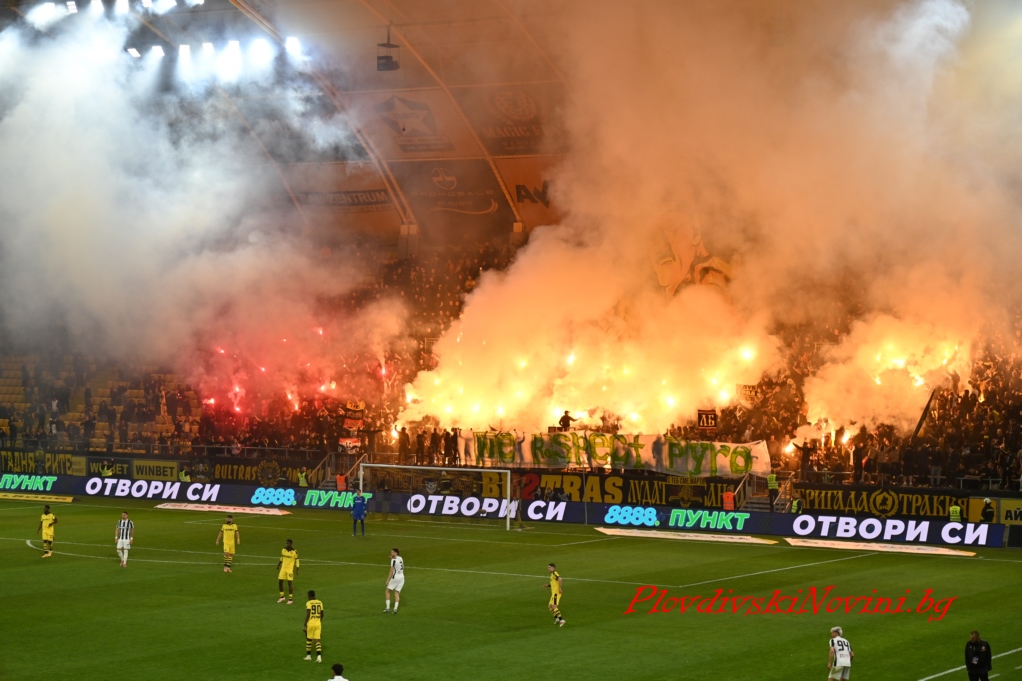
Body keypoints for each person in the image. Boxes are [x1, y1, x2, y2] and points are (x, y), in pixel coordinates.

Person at [304, 589, 324, 663]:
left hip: (310, 623)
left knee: (309, 639)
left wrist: (305, 624)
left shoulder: (309, 603)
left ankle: (308, 656)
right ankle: (319, 657)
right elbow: (322, 614)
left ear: (309, 596)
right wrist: (319, 620)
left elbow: (308, 613)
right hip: (318, 624)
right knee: (317, 640)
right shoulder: (320, 602)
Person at [277, 539, 299, 604]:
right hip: (283, 568)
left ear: (291, 544)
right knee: (280, 582)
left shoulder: (294, 551)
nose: (286, 544)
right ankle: (282, 597)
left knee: (290, 583)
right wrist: (278, 565)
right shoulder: (283, 550)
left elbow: (297, 560)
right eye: (286, 543)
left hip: (289, 570)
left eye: (288, 543)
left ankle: (290, 599)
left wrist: (297, 569)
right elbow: (281, 558)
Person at [384, 548, 404, 613]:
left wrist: (387, 580)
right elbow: (396, 562)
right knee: (397, 593)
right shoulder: (400, 558)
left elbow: (391, 571)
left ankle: (388, 608)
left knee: (387, 591)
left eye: (392, 552)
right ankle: (395, 609)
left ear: (396, 553)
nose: (391, 553)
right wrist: (391, 558)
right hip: (402, 578)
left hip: (395, 577)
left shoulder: (393, 560)